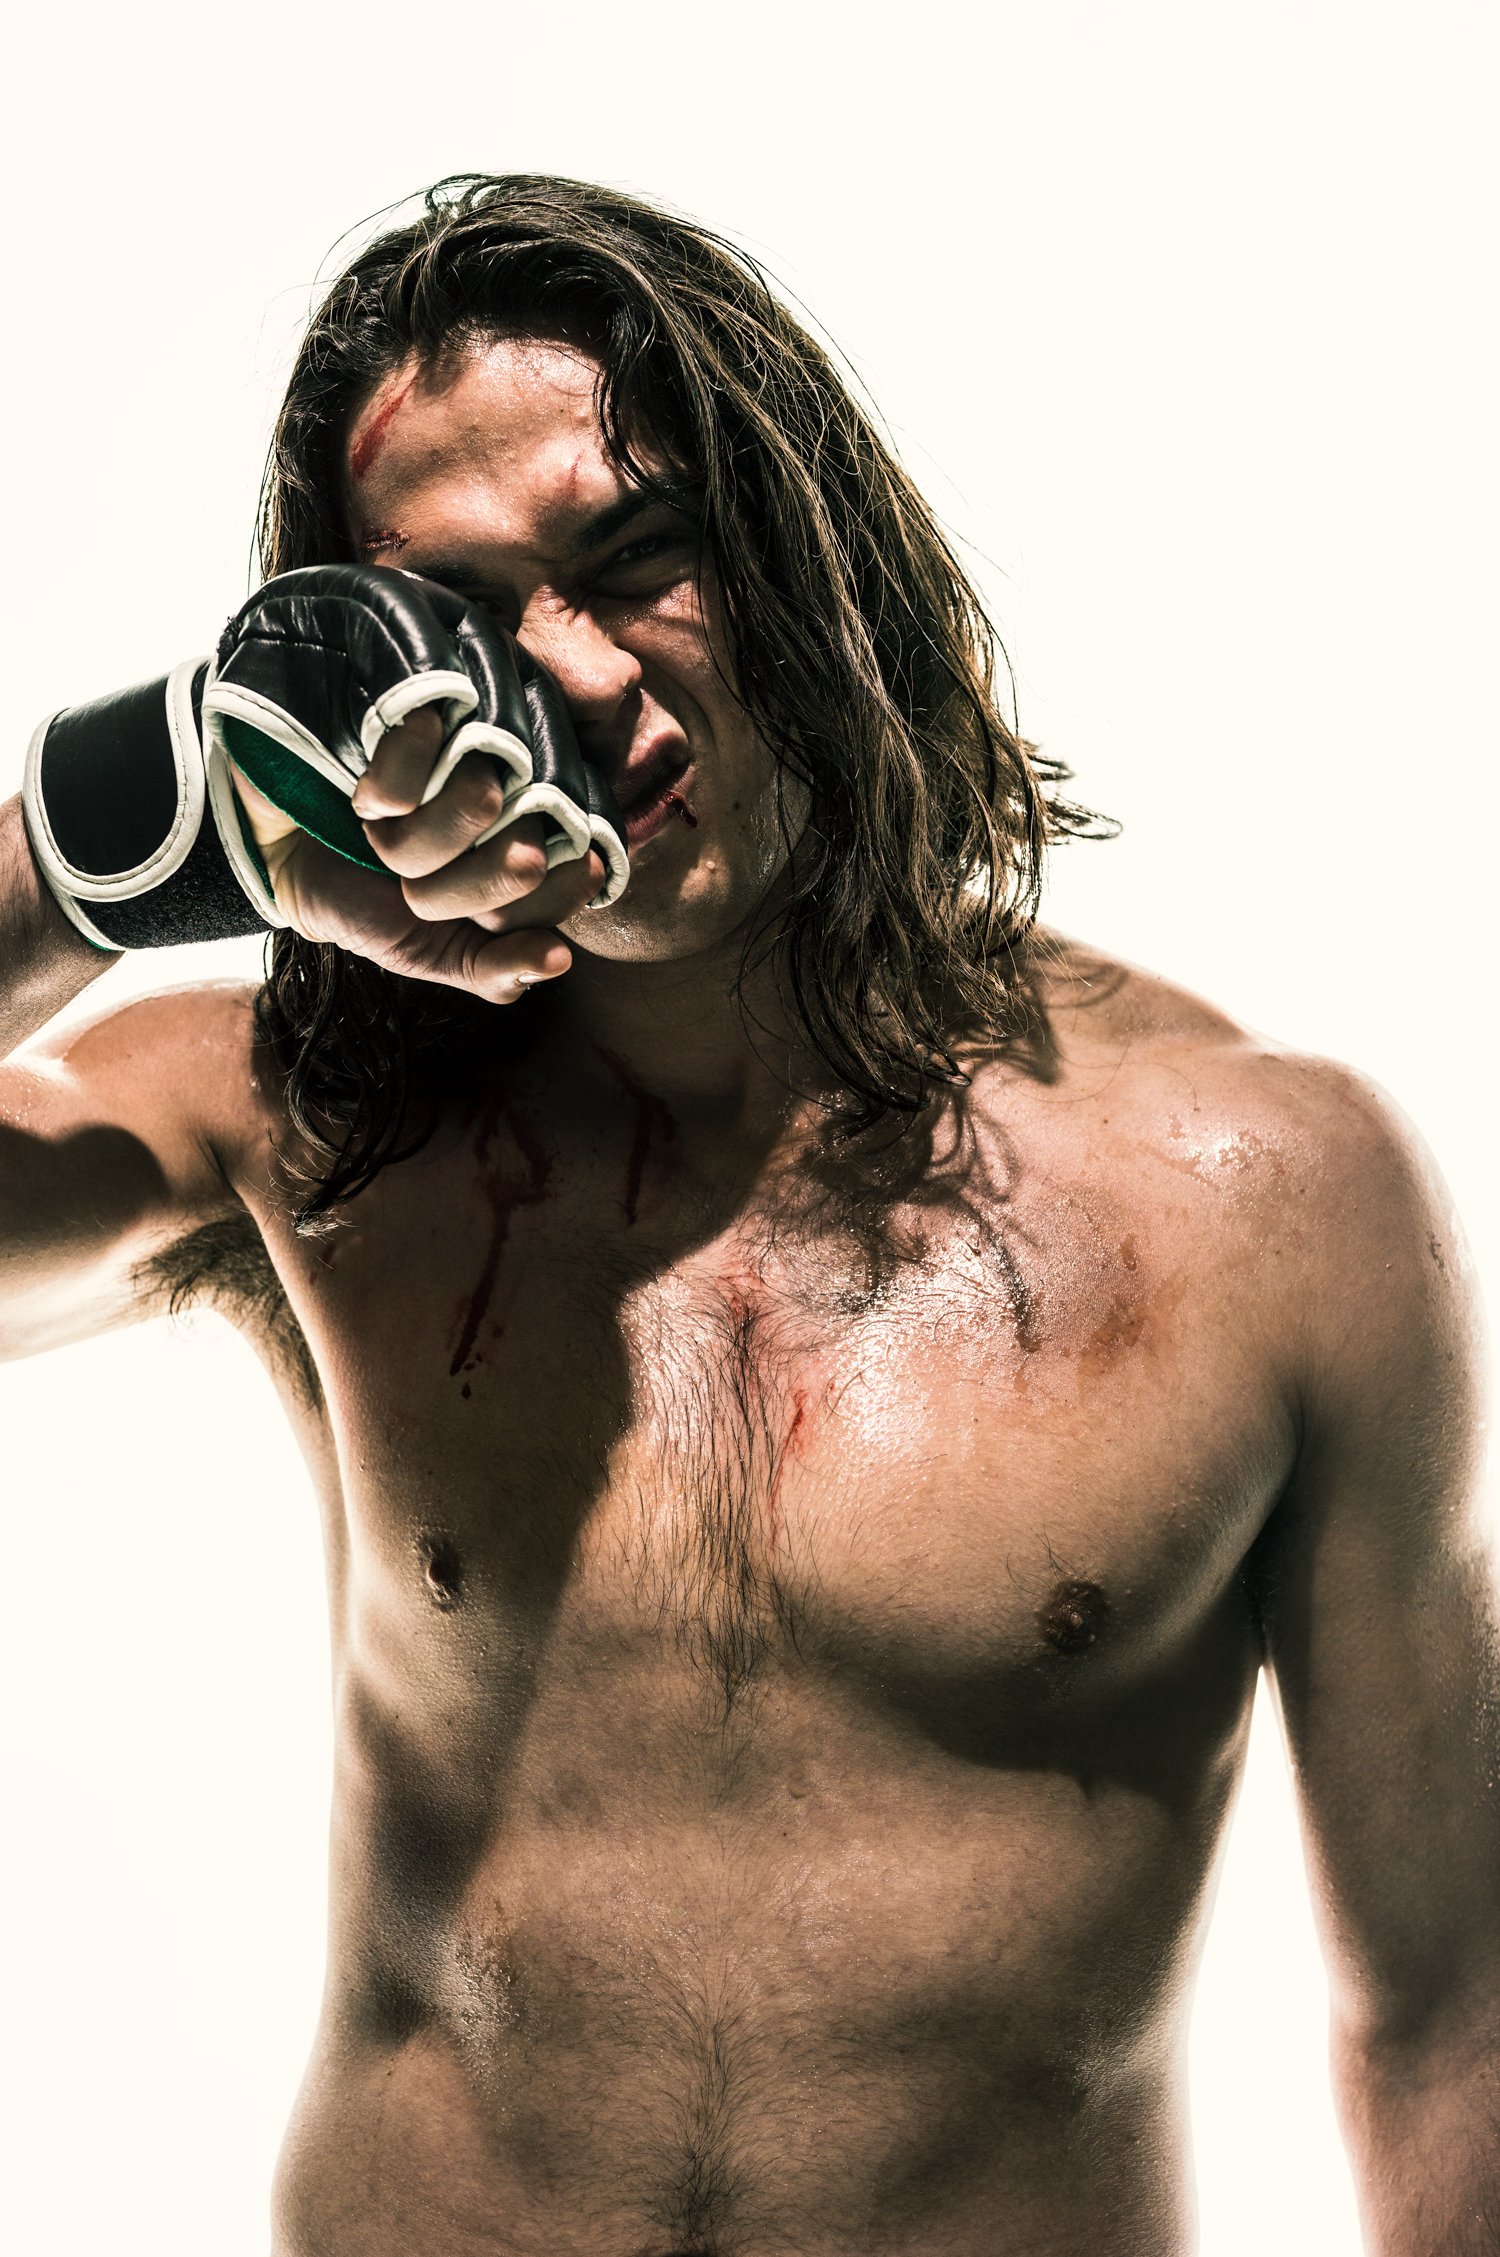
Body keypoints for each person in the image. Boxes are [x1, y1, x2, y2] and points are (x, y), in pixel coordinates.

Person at [3, 173, 1496, 2257]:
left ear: (798, 558)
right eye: (459, 618)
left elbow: (1448, 2021)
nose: (579, 681)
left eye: (637, 558)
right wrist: (116, 835)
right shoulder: (321, 1133)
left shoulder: (1264, 1194)